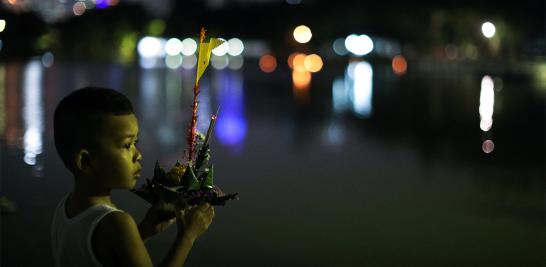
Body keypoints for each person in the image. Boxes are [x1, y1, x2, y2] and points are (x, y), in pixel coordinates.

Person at [51, 86, 214, 267]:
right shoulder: (118, 223)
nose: (138, 154)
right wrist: (187, 236)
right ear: (86, 162)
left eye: (135, 142)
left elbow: (103, 255)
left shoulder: (65, 208)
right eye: (127, 145)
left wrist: (143, 232)